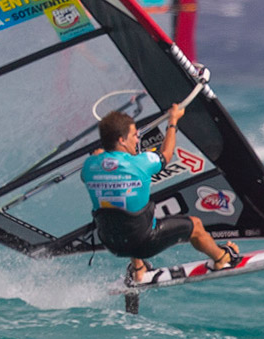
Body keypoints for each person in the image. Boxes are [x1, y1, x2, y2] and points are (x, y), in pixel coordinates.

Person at [81, 104, 241, 282]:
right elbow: (166, 153)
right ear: (121, 140)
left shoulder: (89, 166)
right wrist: (172, 122)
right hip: (143, 243)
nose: (137, 140)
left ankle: (138, 267)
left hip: (111, 242)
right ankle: (221, 258)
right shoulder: (141, 163)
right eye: (134, 135)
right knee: (195, 225)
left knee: (122, 209)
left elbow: (100, 166)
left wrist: (99, 156)